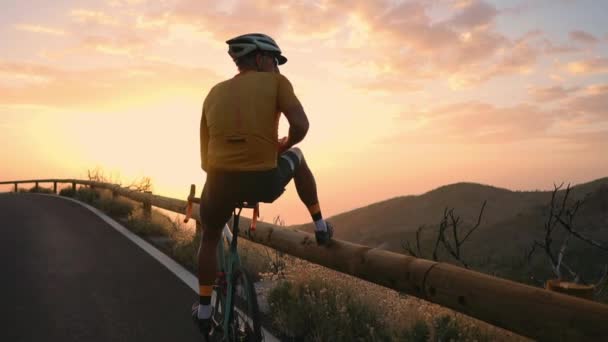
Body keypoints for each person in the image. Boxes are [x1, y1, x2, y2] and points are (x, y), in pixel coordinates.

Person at [192, 33, 334, 336]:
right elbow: (302, 126)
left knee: (210, 238)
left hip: (219, 182)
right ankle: (321, 226)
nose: (277, 67)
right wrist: (283, 146)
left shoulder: (213, 93)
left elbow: (205, 158)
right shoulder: (278, 84)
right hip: (263, 180)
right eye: (274, 60)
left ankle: (204, 309)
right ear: (259, 58)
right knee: (299, 155)